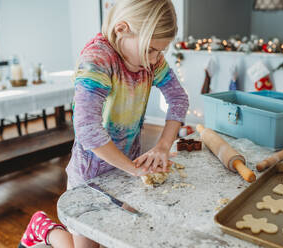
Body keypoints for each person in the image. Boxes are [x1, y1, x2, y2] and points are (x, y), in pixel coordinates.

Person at [18, 0, 189, 247]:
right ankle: (43, 227)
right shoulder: (97, 59)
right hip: (89, 178)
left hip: (125, 170)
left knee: (113, 238)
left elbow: (178, 98)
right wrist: (133, 169)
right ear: (122, 29)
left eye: (160, 52)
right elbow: (88, 129)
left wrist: (163, 145)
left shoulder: (151, 61)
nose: (155, 60)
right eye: (151, 49)